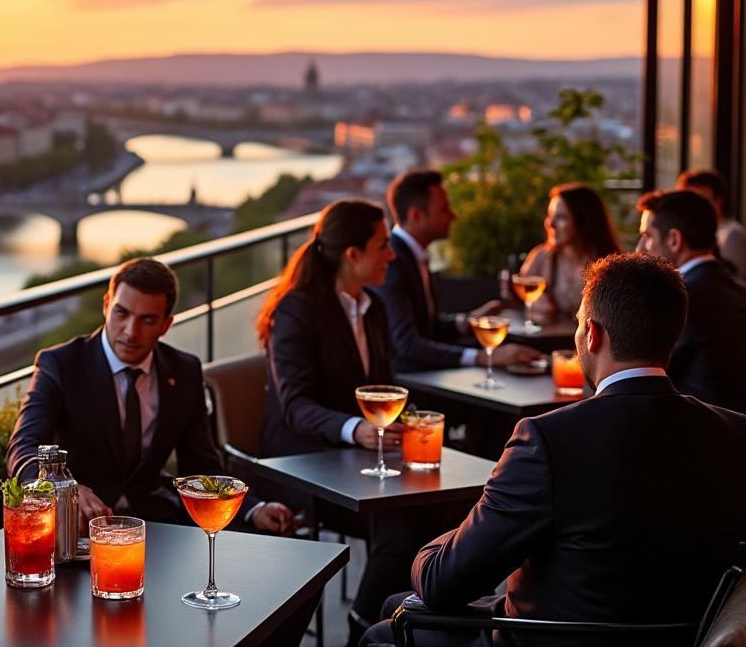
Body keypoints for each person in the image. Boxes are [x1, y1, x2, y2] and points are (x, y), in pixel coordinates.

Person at [361, 253, 746, 647]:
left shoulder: (546, 439)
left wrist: (439, 542)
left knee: (383, 632)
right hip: (679, 635)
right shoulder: (735, 432)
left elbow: (443, 581)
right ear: (672, 335)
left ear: (592, 334)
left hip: (548, 637)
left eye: (579, 322)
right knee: (396, 603)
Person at [257, 199, 460, 645]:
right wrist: (358, 429)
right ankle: (364, 631)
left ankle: (431, 626)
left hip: (363, 465)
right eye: (383, 245)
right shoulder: (296, 310)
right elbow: (295, 406)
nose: (392, 254)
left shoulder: (374, 307)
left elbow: (383, 388)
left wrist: (400, 424)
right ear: (353, 254)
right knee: (399, 530)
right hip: (302, 464)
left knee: (455, 514)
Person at [7, 257, 293, 535]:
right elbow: (23, 447)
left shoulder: (185, 370)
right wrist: (63, 489)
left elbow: (201, 465)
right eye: (122, 313)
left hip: (158, 523)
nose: (131, 332)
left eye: (147, 320)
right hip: (82, 528)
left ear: (166, 325)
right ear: (107, 306)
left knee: (270, 547)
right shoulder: (59, 364)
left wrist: (255, 508)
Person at [375, 170, 540, 373]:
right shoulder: (393, 263)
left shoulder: (413, 255)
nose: (453, 216)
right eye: (444, 209)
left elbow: (427, 325)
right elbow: (407, 344)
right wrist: (481, 357)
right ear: (416, 215)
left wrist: (469, 321)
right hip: (410, 382)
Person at [636, 189, 746, 414]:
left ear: (675, 240)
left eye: (647, 237)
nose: (640, 249)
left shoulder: (678, 297)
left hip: (700, 434)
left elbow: (642, 371)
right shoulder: (736, 286)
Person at [518, 182, 621, 323]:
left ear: (583, 221)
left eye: (561, 217)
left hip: (590, 344)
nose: (550, 223)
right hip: (546, 341)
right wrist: (531, 306)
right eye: (550, 215)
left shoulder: (610, 266)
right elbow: (518, 298)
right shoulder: (541, 257)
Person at [677, 168, 746, 277]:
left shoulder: (732, 234)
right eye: (690, 201)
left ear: (719, 200)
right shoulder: (690, 232)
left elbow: (733, 280)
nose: (695, 206)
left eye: (703, 199)